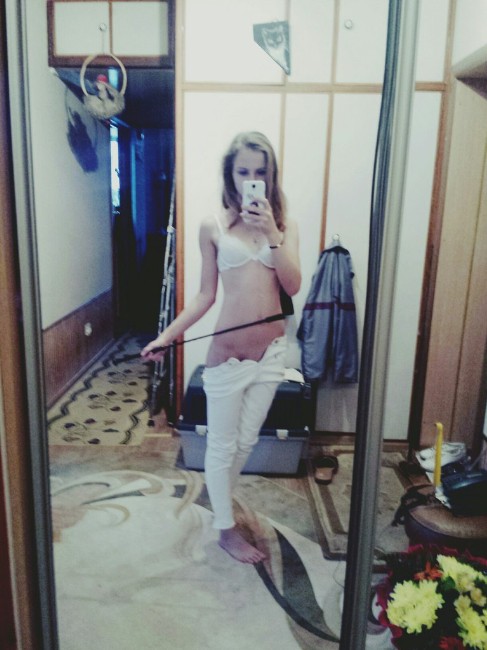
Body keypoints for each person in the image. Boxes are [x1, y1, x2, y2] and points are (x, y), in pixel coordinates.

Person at [142, 131, 301, 564]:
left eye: (260, 172)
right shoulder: (212, 225)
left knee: (246, 442)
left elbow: (292, 285)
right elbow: (204, 296)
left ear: (271, 176)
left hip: (271, 354)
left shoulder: (284, 226)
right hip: (227, 355)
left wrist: (271, 232)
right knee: (221, 446)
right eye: (243, 171)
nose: (252, 180)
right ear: (230, 175)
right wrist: (167, 336)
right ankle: (226, 531)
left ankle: (220, 509)